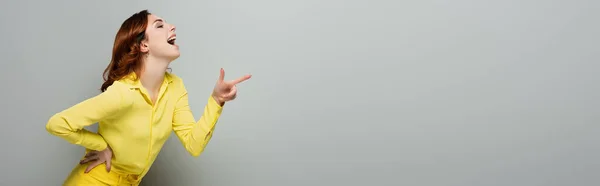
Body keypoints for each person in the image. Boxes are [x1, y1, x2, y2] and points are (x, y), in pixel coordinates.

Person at [45, 9, 251, 185]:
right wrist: (100, 145)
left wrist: (216, 100)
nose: (172, 27)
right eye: (160, 26)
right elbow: (57, 124)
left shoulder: (175, 87)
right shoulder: (122, 92)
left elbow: (194, 145)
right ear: (143, 45)